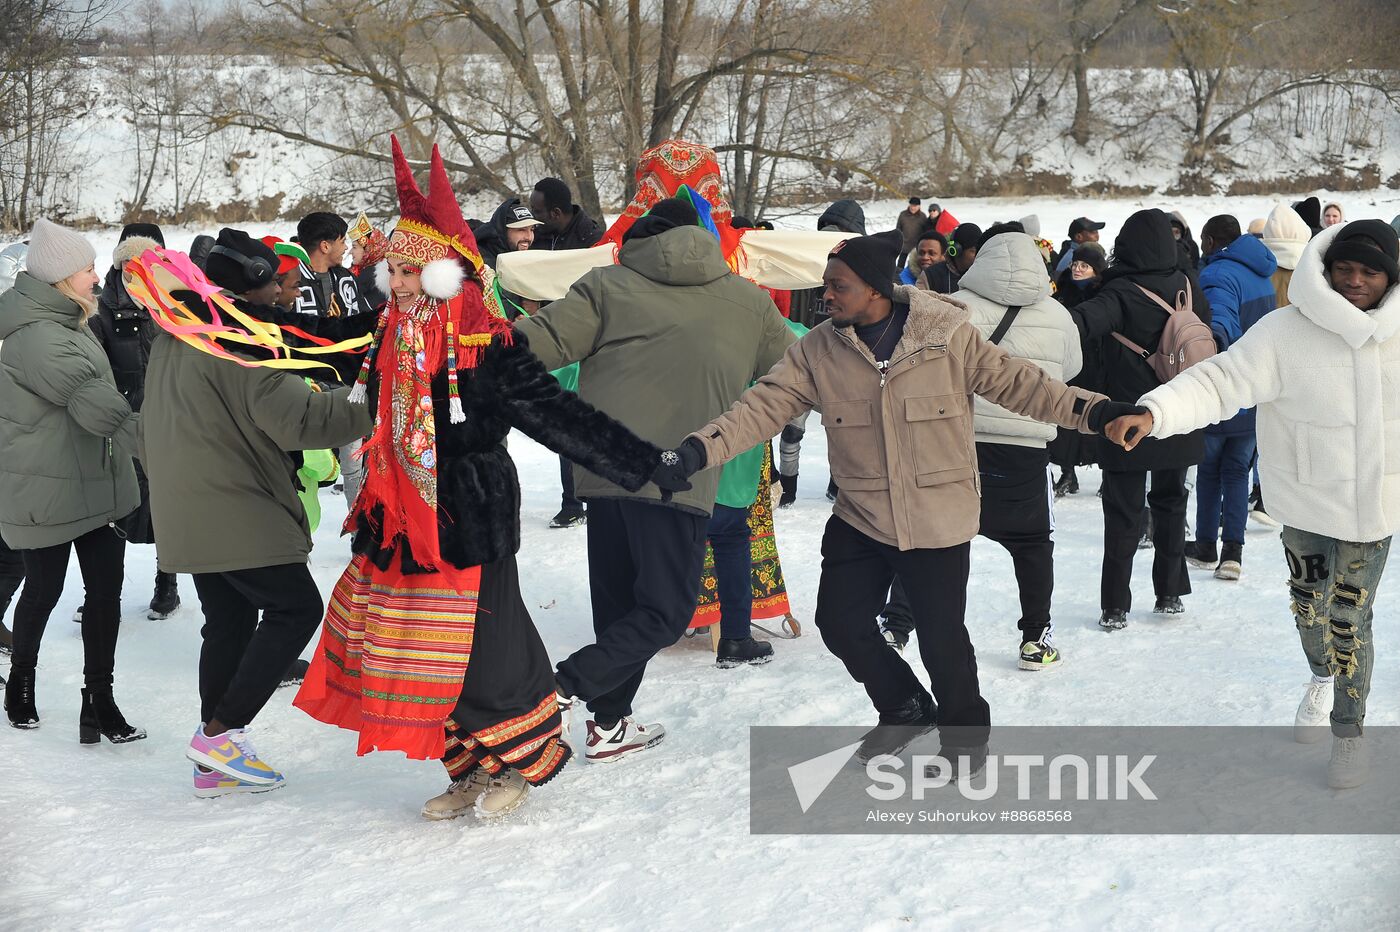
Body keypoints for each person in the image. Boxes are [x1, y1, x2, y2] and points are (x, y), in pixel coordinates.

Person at [293, 139, 668, 819]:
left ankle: (517, 763)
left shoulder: (482, 341)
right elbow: (303, 338)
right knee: (422, 650)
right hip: (402, 517)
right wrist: (215, 317)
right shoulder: (383, 332)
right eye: (394, 274)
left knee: (487, 646)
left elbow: (556, 414)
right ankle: (464, 766)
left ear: (445, 272)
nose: (400, 286)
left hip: (470, 514)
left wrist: (642, 464)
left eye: (412, 274)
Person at [655, 231, 1120, 772]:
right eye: (826, 285)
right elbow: (760, 408)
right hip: (862, 514)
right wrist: (696, 451)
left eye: (838, 286)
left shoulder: (946, 334)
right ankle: (903, 706)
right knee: (840, 622)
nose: (826, 296)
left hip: (936, 515)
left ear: (875, 289)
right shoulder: (817, 350)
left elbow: (1025, 386)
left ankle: (966, 740)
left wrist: (1099, 413)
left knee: (943, 641)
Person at [1104, 219, 1400, 789]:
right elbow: (1218, 381)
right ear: (1328, 269)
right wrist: (1154, 412)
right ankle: (1321, 676)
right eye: (1346, 268)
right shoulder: (1285, 332)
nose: (1356, 280)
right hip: (1306, 504)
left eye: (1370, 271)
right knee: (1310, 610)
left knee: (1349, 617)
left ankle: (1350, 731)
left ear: (1390, 276)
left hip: (1377, 509)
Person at [513, 196, 796, 764]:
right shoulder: (748, 301)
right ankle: (559, 688)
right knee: (665, 612)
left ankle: (610, 724)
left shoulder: (605, 285)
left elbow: (531, 347)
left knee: (618, 607)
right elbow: (801, 369)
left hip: (604, 468)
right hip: (682, 475)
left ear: (638, 240)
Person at [123, 226, 373, 794]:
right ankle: (222, 733)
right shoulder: (235, 341)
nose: (284, 296)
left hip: (188, 506)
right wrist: (379, 394)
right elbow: (303, 421)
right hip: (234, 505)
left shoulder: (179, 329)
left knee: (230, 622)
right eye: (276, 286)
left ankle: (213, 758)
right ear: (253, 289)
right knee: (295, 609)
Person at [877, 228, 1084, 671]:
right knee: (1033, 546)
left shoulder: (958, 309)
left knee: (932, 538)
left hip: (959, 441)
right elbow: (1070, 370)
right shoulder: (1060, 315)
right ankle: (1035, 638)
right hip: (1026, 449)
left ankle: (896, 624)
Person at [0, 219, 144, 743]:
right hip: (47, 486)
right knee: (44, 589)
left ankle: (99, 700)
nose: (96, 276)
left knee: (105, 593)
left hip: (94, 480)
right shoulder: (39, 336)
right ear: (62, 277)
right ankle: (20, 683)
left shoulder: (69, 320)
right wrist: (156, 443)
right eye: (87, 268)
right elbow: (94, 401)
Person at [1066, 208, 1211, 630]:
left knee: (1123, 511)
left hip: (1126, 416)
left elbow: (1080, 327)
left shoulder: (1119, 291)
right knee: (1171, 503)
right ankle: (1169, 593)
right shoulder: (1187, 284)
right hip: (1180, 409)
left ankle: (1115, 605)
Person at [87, 224, 182, 621]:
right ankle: (106, 594)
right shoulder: (100, 307)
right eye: (132, 262)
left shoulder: (176, 300)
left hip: (170, 420)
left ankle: (168, 584)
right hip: (122, 422)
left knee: (168, 505)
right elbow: (93, 366)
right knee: (116, 511)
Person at [1183, 215, 1277, 580]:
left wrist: (1205, 361)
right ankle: (1232, 553)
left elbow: (1221, 324)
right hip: (1256, 385)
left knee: (1209, 470)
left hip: (1226, 385)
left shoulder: (1218, 274)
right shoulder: (1259, 271)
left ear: (1208, 240)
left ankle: (1207, 545)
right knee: (1237, 471)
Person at [527, 180, 605, 528]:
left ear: (556, 213)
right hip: (555, 342)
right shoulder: (540, 239)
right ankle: (574, 500)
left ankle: (587, 498)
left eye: (538, 214)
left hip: (590, 344)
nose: (534, 220)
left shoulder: (593, 240)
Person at [1048, 242, 1108, 497]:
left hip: (1099, 367)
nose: (1078, 270)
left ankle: (1108, 474)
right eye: (1075, 264)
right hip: (1070, 366)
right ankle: (1068, 472)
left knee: (1101, 419)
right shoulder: (1062, 291)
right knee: (1066, 419)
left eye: (1085, 266)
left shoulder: (1105, 294)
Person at [292, 212, 372, 318]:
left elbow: (362, 318)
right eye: (343, 242)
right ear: (325, 247)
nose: (346, 248)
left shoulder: (346, 278)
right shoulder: (291, 280)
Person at [528, 177, 605, 252]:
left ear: (556, 213)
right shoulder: (532, 235)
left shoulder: (593, 242)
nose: (532, 216)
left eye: (537, 212)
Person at [473, 196, 544, 272]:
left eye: (532, 229)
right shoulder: (480, 261)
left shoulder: (527, 255)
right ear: (503, 231)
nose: (529, 237)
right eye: (521, 230)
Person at [347, 213, 390, 309]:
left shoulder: (375, 281)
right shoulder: (358, 272)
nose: (350, 252)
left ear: (369, 250)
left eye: (354, 247)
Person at [925, 223, 981, 295]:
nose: (978, 255)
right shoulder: (930, 275)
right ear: (957, 250)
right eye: (974, 251)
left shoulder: (983, 275)